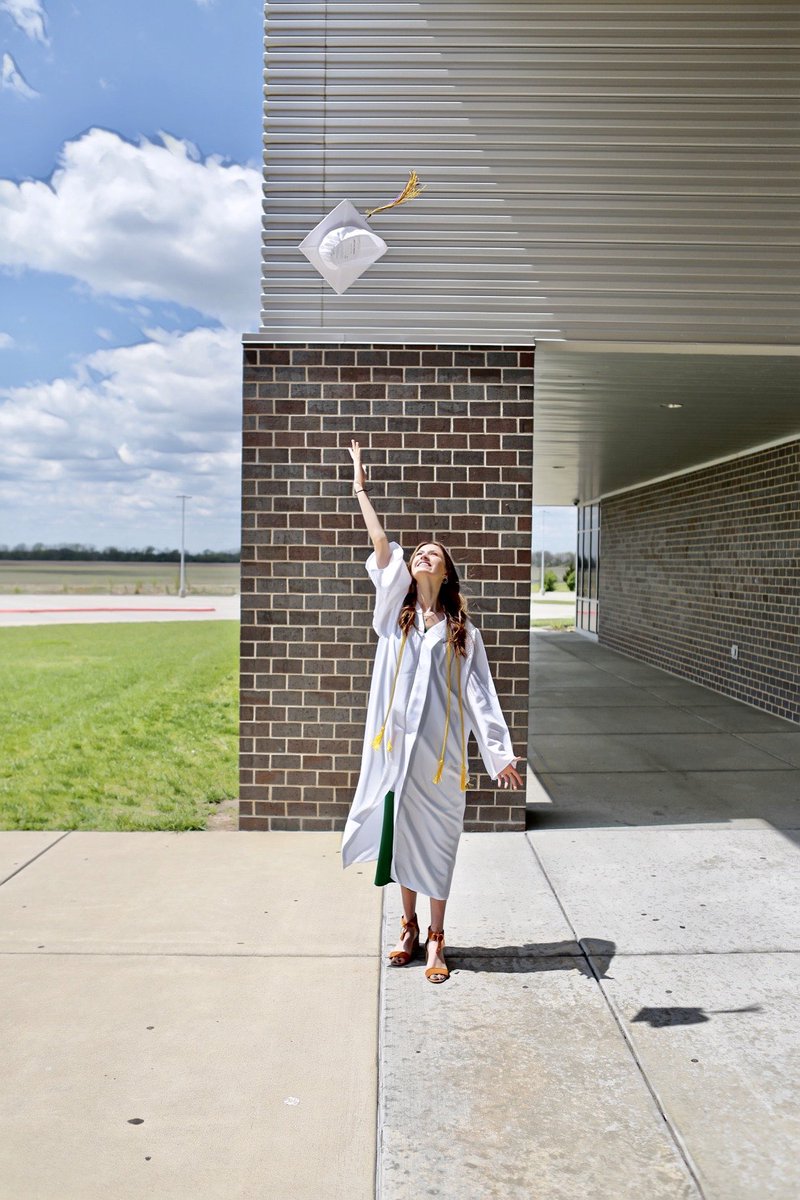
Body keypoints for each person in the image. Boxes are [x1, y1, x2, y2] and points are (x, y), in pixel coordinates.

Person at [341, 440, 523, 984]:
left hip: (441, 759)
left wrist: (500, 753)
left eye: (432, 552)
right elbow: (380, 542)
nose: (420, 554)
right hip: (397, 751)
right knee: (402, 837)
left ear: (445, 572)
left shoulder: (462, 631)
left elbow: (482, 695)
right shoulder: (392, 614)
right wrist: (359, 489)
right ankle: (409, 927)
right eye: (417, 550)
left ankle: (438, 938)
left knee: (438, 839)